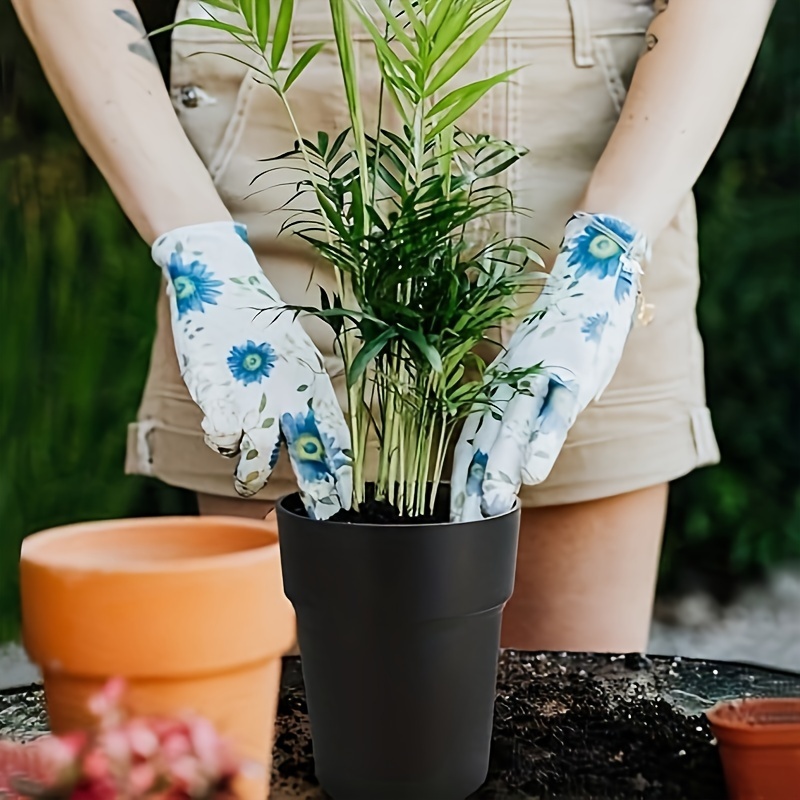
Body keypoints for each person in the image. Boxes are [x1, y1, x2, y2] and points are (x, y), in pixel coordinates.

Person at [12, 0, 774, 653]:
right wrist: (196, 245)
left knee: (568, 727)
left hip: (587, 151)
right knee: (286, 728)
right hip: (274, 131)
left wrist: (608, 249)